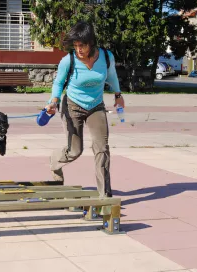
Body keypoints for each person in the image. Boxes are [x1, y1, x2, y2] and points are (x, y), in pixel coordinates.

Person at [45, 21, 125, 198]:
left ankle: (104, 196)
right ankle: (55, 161)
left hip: (96, 106)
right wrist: (53, 101)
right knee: (75, 150)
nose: (78, 49)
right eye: (75, 46)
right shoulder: (69, 60)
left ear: (91, 43)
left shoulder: (105, 57)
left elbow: (111, 76)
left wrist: (118, 95)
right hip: (72, 106)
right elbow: (58, 83)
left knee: (102, 148)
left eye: (82, 45)